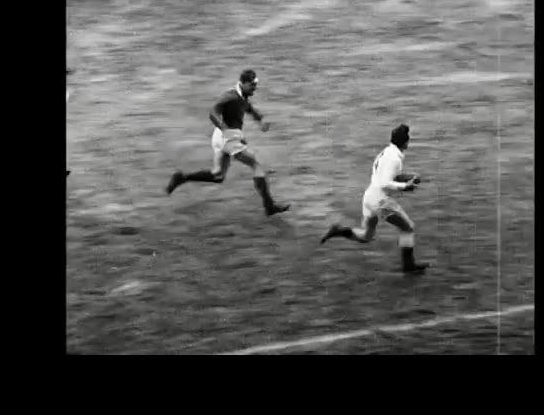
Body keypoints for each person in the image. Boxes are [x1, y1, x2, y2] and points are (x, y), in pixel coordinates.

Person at [166, 69, 290, 216]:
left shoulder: (242, 96)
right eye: (252, 85)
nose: (255, 88)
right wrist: (226, 130)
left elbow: (249, 109)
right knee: (256, 165)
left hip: (221, 137)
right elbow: (213, 113)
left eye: (255, 84)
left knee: (218, 175)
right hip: (227, 137)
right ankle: (269, 207)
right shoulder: (230, 96)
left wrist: (260, 121)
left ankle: (182, 177)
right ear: (243, 83)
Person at [320, 123, 429, 272]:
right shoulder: (395, 159)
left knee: (366, 236)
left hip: (369, 199)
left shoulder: (386, 152)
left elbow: (386, 177)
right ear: (406, 142)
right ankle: (408, 266)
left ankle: (339, 231)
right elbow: (385, 182)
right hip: (380, 203)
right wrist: (405, 186)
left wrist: (408, 178)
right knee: (407, 228)